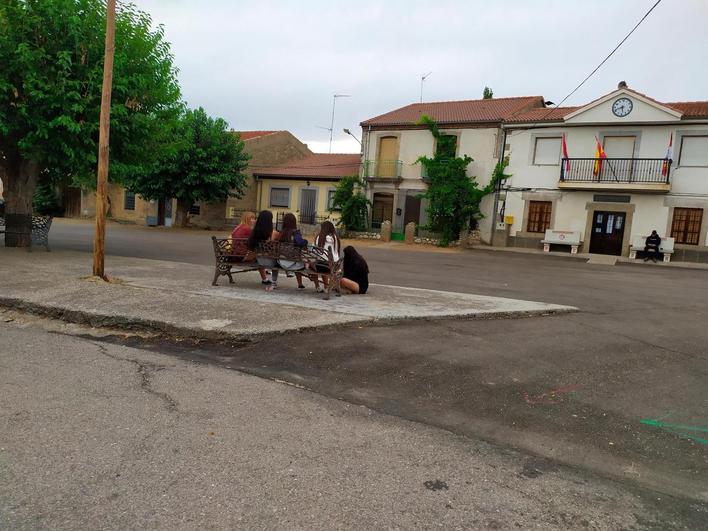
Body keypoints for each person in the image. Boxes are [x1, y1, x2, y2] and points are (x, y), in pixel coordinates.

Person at [248, 210, 280, 287]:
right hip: (271, 262)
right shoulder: (274, 233)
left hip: (259, 260)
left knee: (259, 254)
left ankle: (264, 278)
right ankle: (274, 281)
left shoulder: (254, 233)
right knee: (277, 259)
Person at [277, 213, 308, 289]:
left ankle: (274, 282)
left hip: (281, 262)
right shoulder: (295, 233)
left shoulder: (281, 233)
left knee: (297, 259)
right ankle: (300, 284)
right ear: (294, 222)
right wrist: (306, 241)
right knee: (299, 261)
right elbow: (300, 242)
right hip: (293, 263)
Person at [311, 220, 341, 293]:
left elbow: (314, 252)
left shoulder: (319, 237)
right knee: (325, 263)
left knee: (311, 266)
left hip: (323, 266)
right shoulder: (335, 238)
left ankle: (318, 287)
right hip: (334, 266)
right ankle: (326, 286)